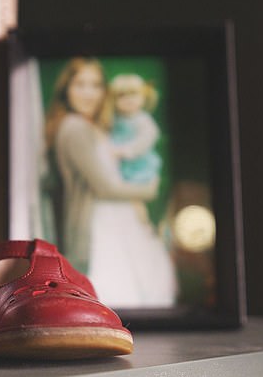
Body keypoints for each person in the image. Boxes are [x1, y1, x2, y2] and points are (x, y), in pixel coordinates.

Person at [45, 57, 176, 308]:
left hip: (118, 218)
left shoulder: (96, 127)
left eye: (95, 85)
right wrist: (149, 190)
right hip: (98, 223)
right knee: (114, 286)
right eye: (80, 85)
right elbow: (104, 187)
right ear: (66, 90)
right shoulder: (74, 128)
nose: (88, 93)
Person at [109, 73, 162, 184]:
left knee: (134, 191)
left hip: (138, 164)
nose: (128, 99)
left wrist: (125, 151)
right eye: (122, 95)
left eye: (133, 94)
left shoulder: (143, 120)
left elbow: (145, 140)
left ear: (143, 97)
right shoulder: (114, 118)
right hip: (117, 164)